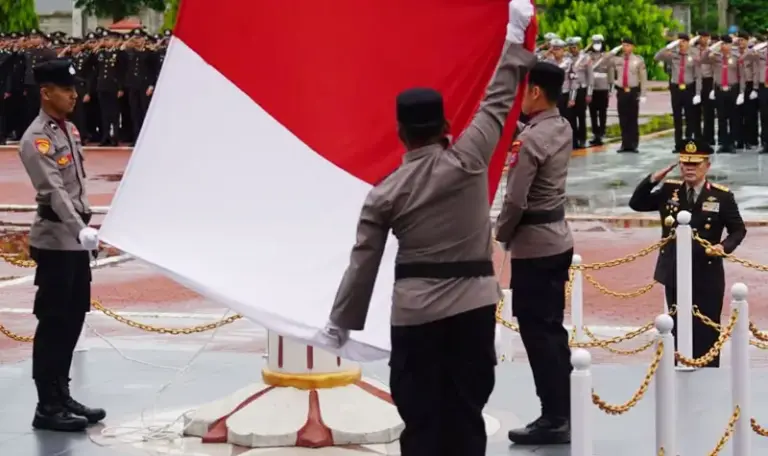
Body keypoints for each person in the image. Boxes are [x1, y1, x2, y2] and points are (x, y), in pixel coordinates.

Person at [317, 2, 536, 454]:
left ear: (401, 132)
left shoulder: (385, 193)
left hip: (416, 317)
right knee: (466, 413)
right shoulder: (471, 157)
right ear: (444, 125)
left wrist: (341, 324)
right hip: (474, 309)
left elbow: (364, 263)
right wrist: (514, 34)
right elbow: (498, 97)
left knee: (420, 420)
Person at [18, 58, 105, 431]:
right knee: (53, 323)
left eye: (74, 88)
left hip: (75, 241)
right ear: (45, 92)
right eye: (66, 88)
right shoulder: (36, 138)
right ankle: (46, 405)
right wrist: (77, 227)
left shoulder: (68, 130)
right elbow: (53, 190)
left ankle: (62, 394)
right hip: (56, 241)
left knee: (72, 321)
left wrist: (88, 227)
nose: (74, 94)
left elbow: (77, 187)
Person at [496, 61, 573, 445]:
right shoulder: (561, 126)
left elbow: (515, 200)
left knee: (537, 333)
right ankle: (564, 407)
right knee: (552, 330)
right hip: (558, 239)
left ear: (536, 92)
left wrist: (500, 234)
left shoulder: (530, 140)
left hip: (534, 246)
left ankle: (554, 416)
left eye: (524, 89)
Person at [628, 139, 746, 368]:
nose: (689, 169)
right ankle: (678, 370)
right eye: (684, 164)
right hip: (674, 270)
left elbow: (738, 229)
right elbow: (637, 203)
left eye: (695, 164)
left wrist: (724, 247)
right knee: (675, 326)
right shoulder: (670, 191)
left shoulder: (721, 197)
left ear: (707, 166)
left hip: (706, 273)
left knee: (707, 328)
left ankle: (708, 373)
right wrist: (654, 178)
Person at [654, 33, 702, 150]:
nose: (681, 44)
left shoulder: (694, 56)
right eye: (679, 42)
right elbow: (657, 57)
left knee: (689, 117)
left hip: (689, 88)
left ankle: (688, 142)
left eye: (683, 42)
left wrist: (697, 93)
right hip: (676, 89)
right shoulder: (673, 55)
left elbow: (698, 76)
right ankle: (678, 144)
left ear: (688, 43)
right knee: (677, 117)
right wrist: (670, 46)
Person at [700, 35, 743, 153]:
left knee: (733, 117)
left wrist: (741, 92)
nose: (723, 46)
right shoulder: (715, 57)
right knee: (721, 117)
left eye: (726, 44)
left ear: (730, 45)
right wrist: (712, 47)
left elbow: (742, 75)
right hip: (719, 89)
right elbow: (702, 59)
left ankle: (732, 143)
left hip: (732, 89)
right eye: (722, 44)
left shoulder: (736, 57)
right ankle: (723, 143)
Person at [610, 38, 647, 153]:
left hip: (633, 91)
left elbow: (643, 78)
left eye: (627, 45)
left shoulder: (638, 60)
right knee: (623, 118)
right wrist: (613, 51)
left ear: (632, 47)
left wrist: (643, 94)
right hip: (621, 91)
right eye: (623, 45)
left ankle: (633, 144)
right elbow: (605, 62)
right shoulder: (617, 60)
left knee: (632, 118)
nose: (625, 48)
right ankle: (624, 144)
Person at [566, 37, 593, 149]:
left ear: (579, 46)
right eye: (571, 47)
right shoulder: (567, 58)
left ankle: (582, 139)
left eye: (575, 47)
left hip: (581, 89)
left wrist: (589, 93)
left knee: (581, 116)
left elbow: (590, 76)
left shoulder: (585, 58)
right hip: (570, 90)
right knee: (570, 117)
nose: (573, 49)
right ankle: (573, 139)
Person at [586, 34, 613, 146]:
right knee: (592, 112)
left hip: (603, 88)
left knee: (602, 112)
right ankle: (595, 133)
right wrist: (588, 47)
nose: (596, 45)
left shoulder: (607, 56)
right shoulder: (588, 56)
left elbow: (610, 73)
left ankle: (601, 133)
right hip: (591, 88)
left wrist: (611, 89)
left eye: (598, 42)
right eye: (594, 42)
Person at [693, 31, 715, 145]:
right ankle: (697, 136)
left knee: (708, 111)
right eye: (702, 37)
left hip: (708, 81)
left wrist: (713, 87)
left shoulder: (712, 51)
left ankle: (709, 137)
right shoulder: (693, 50)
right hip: (695, 80)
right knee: (695, 111)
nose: (704, 40)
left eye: (706, 37)